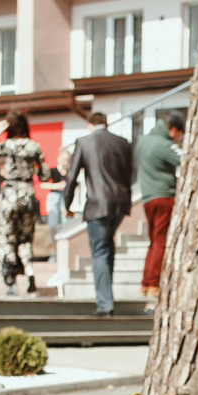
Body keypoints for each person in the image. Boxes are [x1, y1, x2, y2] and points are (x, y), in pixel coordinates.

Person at [61, 110, 135, 317]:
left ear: (90, 125)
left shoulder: (84, 142)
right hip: (120, 204)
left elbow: (71, 176)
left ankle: (105, 304)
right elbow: (129, 173)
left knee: (100, 251)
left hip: (97, 204)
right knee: (107, 248)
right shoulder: (123, 142)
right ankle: (106, 297)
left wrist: (66, 203)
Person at [0, 111, 62, 296]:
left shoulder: (6, 145)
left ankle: (11, 282)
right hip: (28, 196)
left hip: (9, 195)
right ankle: (29, 272)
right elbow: (45, 175)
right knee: (25, 238)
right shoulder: (33, 146)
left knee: (8, 238)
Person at [134, 109, 185, 310]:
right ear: (173, 130)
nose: (179, 138)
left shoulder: (142, 142)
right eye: (180, 134)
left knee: (153, 240)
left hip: (147, 198)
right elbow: (186, 160)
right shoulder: (165, 145)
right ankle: (155, 284)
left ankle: (146, 283)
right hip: (164, 196)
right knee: (160, 241)